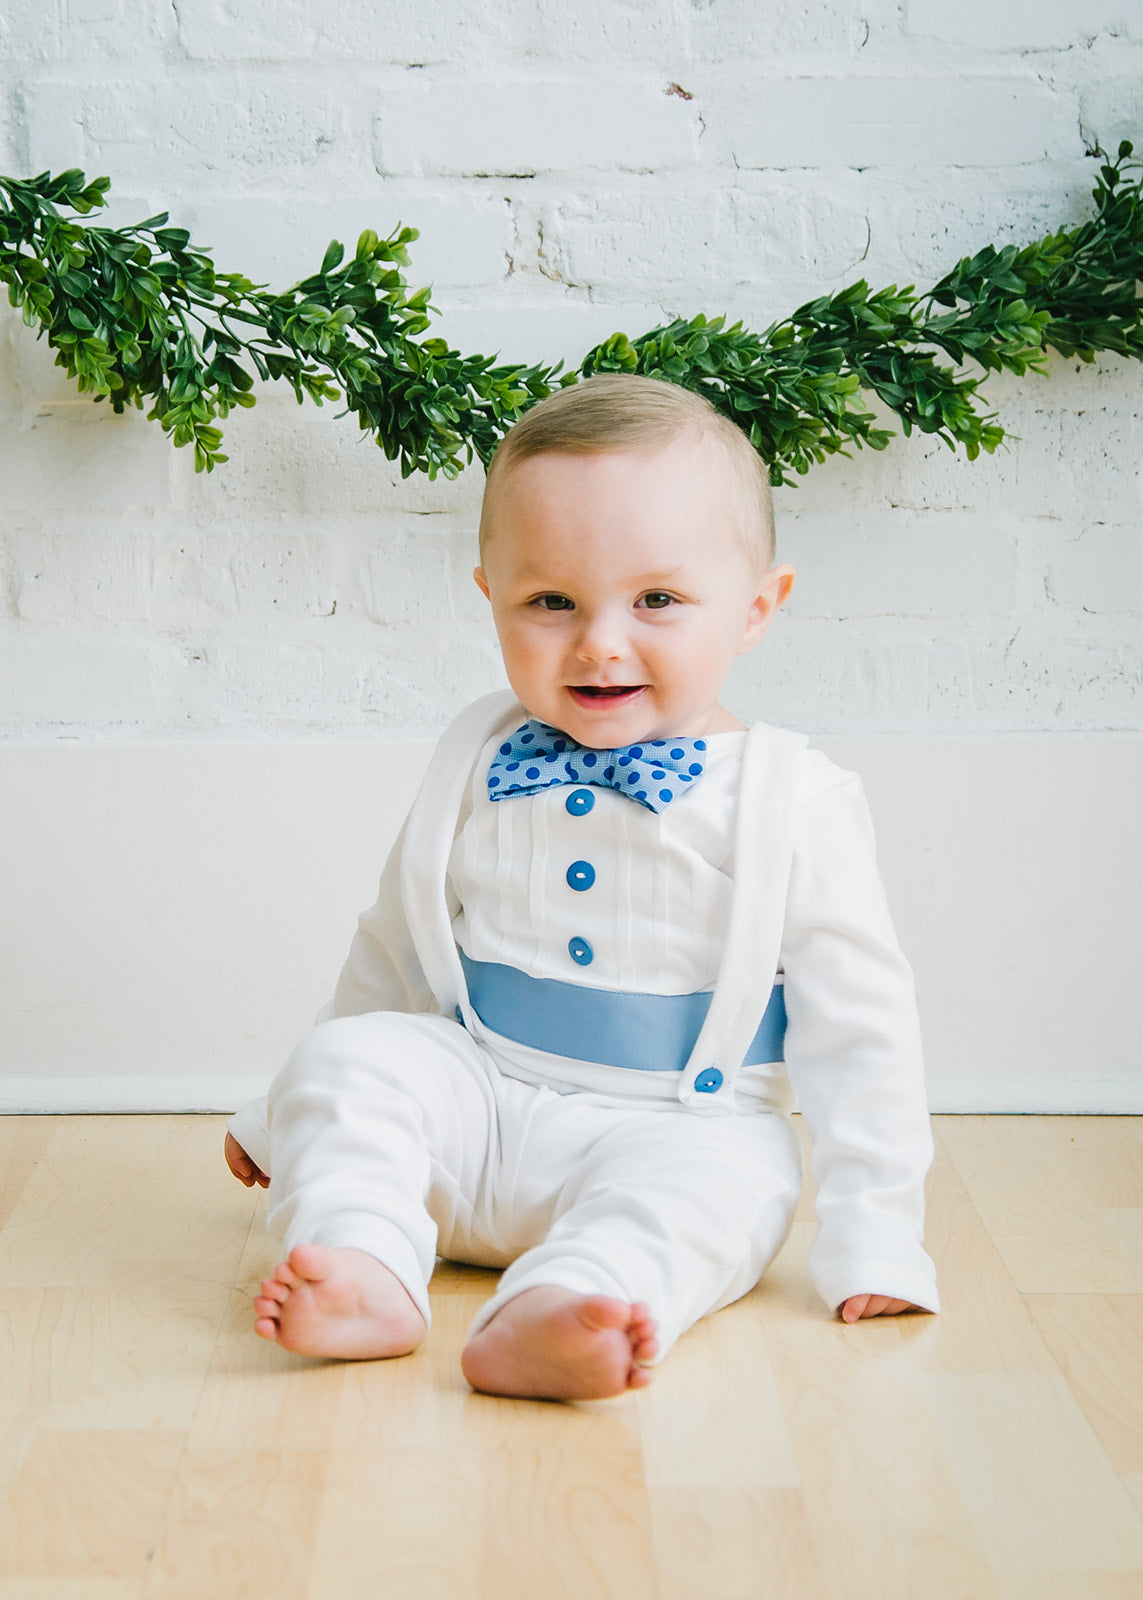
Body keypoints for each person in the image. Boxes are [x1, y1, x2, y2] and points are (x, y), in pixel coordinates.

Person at [224, 372, 939, 1401]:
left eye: (656, 599)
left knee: (734, 1182)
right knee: (354, 1058)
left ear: (755, 609)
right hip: (476, 1109)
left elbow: (862, 1033)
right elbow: (391, 944)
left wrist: (876, 1237)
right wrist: (277, 1105)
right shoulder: (476, 751)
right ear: (490, 598)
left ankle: (572, 1302)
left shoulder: (794, 799)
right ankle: (367, 1261)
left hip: (672, 1127)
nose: (601, 639)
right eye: (551, 601)